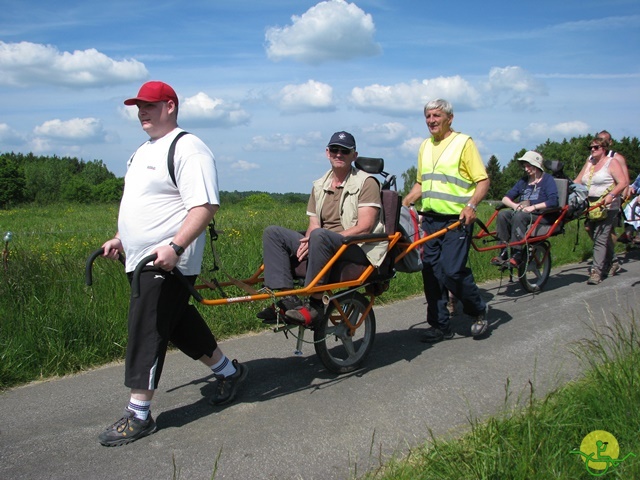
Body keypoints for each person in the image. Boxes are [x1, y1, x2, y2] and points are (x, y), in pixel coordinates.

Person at [97, 81, 248, 447]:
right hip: (140, 257)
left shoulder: (188, 148)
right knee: (177, 323)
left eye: (148, 105)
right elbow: (140, 204)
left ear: (170, 106)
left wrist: (176, 247)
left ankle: (139, 414)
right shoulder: (141, 152)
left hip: (165, 261)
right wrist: (120, 238)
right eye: (138, 107)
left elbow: (205, 206)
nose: (141, 112)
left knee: (147, 328)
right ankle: (230, 372)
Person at [257, 131, 386, 325]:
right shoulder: (319, 185)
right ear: (327, 152)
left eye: (345, 151)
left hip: (356, 246)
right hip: (323, 241)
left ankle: (315, 305)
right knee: (273, 233)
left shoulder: (367, 182)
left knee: (319, 235)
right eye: (334, 149)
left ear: (354, 155)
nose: (339, 154)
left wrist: (322, 237)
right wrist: (308, 240)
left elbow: (365, 227)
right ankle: (287, 301)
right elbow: (314, 225)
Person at [403, 99, 489, 342]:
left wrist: (471, 206)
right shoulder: (424, 146)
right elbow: (421, 182)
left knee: (451, 271)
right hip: (430, 220)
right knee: (430, 273)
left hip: (456, 220)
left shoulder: (463, 143)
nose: (431, 120)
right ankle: (440, 325)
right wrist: (405, 202)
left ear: (449, 118)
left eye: (436, 115)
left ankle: (478, 311)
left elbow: (483, 181)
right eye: (428, 116)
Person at [573, 137, 628, 285]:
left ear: (604, 149)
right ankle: (613, 261)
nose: (592, 150)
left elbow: (623, 182)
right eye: (591, 147)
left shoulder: (612, 162)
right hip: (590, 205)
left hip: (607, 205)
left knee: (601, 236)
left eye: (596, 147)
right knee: (590, 229)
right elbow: (578, 180)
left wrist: (611, 195)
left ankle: (596, 271)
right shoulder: (590, 162)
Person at [490, 151, 559, 267]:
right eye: (525, 166)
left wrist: (533, 207)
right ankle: (503, 251)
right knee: (503, 215)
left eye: (529, 166)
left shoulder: (547, 180)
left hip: (542, 215)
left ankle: (517, 253)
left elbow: (553, 201)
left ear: (537, 165)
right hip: (524, 212)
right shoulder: (523, 181)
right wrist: (515, 206)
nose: (526, 169)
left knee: (519, 216)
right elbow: (505, 198)